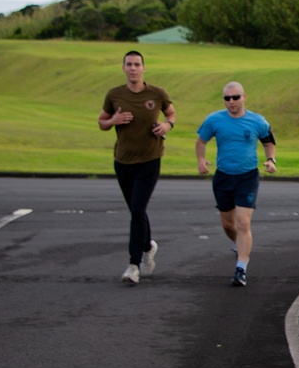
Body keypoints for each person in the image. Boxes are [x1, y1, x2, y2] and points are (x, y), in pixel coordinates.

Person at [98, 50, 176, 285]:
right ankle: (148, 244)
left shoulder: (157, 93)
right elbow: (101, 121)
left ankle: (133, 265)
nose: (133, 68)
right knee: (136, 211)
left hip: (150, 160)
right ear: (123, 68)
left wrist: (167, 126)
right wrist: (113, 121)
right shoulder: (115, 95)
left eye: (137, 64)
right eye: (129, 64)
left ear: (144, 68)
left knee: (138, 210)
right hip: (123, 161)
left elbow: (170, 113)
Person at [195, 81, 276, 287]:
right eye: (227, 98)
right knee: (228, 224)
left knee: (243, 223)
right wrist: (201, 160)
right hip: (223, 176)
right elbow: (201, 141)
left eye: (236, 97)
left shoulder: (257, 121)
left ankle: (241, 268)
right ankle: (238, 244)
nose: (231, 102)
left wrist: (271, 159)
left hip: (247, 177)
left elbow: (268, 141)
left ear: (244, 97)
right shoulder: (215, 120)